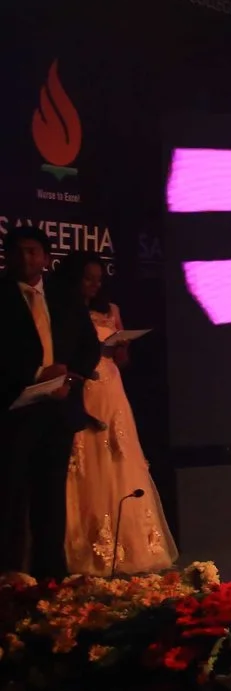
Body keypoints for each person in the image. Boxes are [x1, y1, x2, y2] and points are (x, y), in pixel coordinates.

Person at [60, 252, 175, 574]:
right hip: (83, 386)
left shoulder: (111, 310)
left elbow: (122, 361)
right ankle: (84, 549)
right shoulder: (64, 309)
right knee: (86, 463)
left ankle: (130, 547)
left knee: (119, 459)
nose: (94, 285)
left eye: (98, 279)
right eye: (88, 278)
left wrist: (121, 348)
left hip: (111, 389)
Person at [0, 225, 100, 579]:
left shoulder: (63, 295)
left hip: (59, 410)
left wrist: (70, 377)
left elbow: (89, 346)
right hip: (13, 411)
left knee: (51, 499)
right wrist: (36, 374)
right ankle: (10, 579)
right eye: (17, 251)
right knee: (10, 499)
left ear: (46, 257)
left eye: (32, 251)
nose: (25, 258)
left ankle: (51, 580)